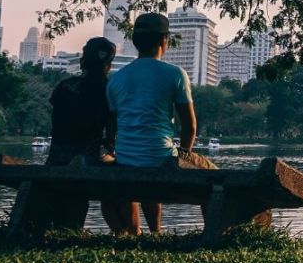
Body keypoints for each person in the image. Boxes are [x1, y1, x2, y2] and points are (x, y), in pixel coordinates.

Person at [106, 12, 216, 234]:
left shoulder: (116, 78)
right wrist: (184, 153)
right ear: (164, 40)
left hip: (126, 158)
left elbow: (113, 127)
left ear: (135, 42)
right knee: (215, 176)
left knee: (150, 161)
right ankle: (211, 233)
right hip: (162, 158)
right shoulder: (175, 74)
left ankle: (154, 233)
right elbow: (190, 126)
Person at [44, 37, 117, 229]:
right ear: (108, 65)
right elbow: (111, 132)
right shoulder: (109, 91)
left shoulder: (65, 87)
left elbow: (56, 121)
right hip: (88, 159)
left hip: (57, 157)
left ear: (83, 62)